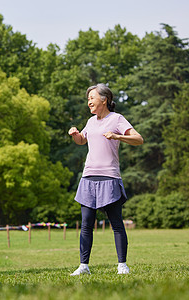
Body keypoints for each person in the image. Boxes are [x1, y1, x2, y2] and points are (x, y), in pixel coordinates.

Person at [68, 83, 143, 276]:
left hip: (109, 177)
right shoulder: (91, 121)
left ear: (104, 99)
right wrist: (76, 135)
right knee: (86, 224)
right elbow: (82, 141)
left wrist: (117, 136)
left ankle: (122, 265)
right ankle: (83, 266)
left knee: (116, 223)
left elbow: (138, 139)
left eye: (91, 98)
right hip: (88, 176)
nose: (89, 102)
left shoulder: (117, 119)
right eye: (88, 99)